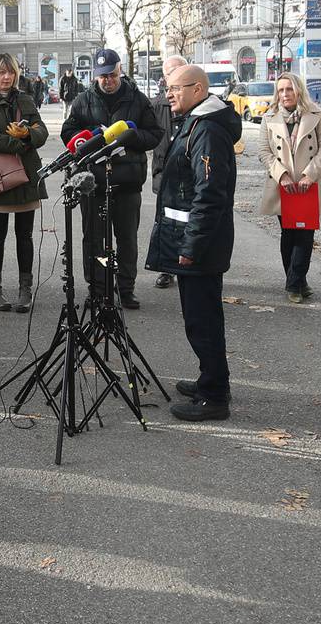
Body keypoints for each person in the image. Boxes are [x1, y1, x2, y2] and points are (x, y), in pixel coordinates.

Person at [147, 64, 242, 422]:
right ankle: (211, 380)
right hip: (194, 241)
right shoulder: (195, 122)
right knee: (200, 319)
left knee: (202, 321)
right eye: (167, 88)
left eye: (175, 88)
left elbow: (210, 194)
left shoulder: (207, 130)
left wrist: (191, 246)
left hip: (200, 246)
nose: (168, 94)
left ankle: (214, 397)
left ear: (198, 89)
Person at [59, 49, 161, 308]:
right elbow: (68, 133)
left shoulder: (137, 99)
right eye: (102, 76)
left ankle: (125, 289)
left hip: (127, 182)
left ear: (120, 71)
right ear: (95, 76)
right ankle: (98, 288)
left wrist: (130, 137)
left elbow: (155, 134)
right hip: (93, 184)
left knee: (126, 239)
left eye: (112, 75)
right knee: (95, 240)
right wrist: (90, 137)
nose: (108, 80)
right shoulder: (83, 100)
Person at [0, 53, 49, 312]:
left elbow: (42, 131)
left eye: (10, 72)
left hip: (26, 176)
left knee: (24, 235)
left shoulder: (25, 99)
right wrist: (22, 143)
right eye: (1, 72)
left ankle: (24, 289)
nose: (6, 77)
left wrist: (28, 133)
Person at [257, 74, 321, 303]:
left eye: (289, 89)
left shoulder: (318, 114)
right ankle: (298, 280)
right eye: (280, 90)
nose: (284, 94)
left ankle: (294, 283)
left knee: (305, 233)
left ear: (298, 90)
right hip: (283, 185)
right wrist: (281, 176)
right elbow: (264, 151)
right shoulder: (269, 117)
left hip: (307, 184)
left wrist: (309, 175)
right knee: (288, 233)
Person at [148, 55, 186, 292]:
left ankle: (188, 264)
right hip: (164, 171)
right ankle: (167, 268)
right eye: (169, 72)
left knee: (190, 221)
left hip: (190, 173)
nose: (173, 75)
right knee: (166, 221)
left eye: (178, 70)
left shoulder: (199, 101)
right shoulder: (157, 104)